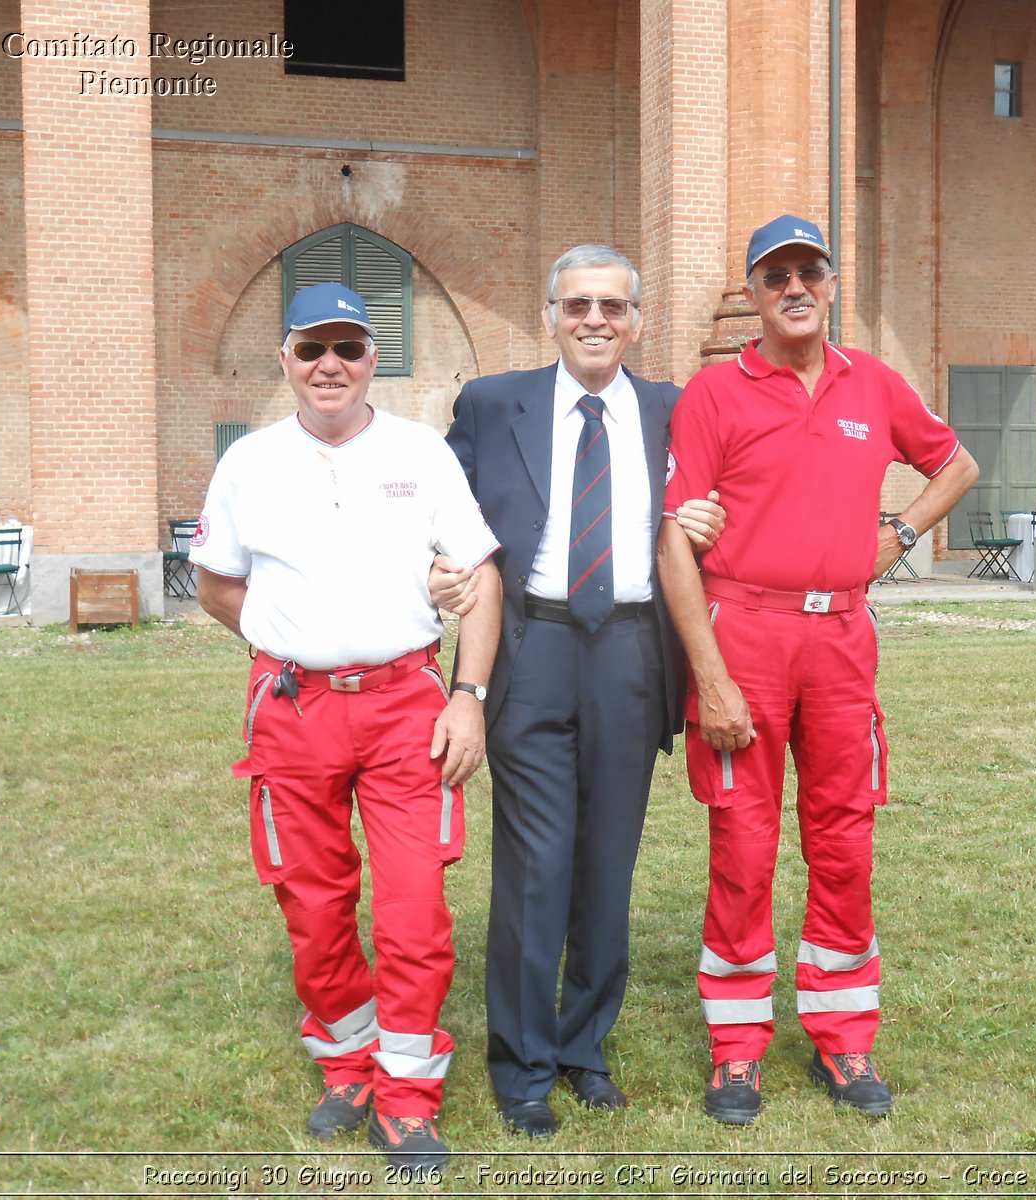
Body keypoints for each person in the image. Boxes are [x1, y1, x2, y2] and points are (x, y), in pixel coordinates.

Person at [655, 215, 980, 1126]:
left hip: (840, 640)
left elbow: (957, 463)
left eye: (810, 271)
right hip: (744, 633)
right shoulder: (716, 393)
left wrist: (898, 536)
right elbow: (678, 537)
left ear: (832, 284)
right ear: (754, 294)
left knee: (844, 841)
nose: (795, 287)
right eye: (775, 276)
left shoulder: (870, 383)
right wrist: (710, 676)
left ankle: (844, 1039)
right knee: (744, 844)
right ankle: (737, 1050)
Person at [190, 282, 501, 1179]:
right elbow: (217, 583)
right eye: (311, 348)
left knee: (413, 905)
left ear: (374, 359)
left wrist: (468, 695)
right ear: (284, 358)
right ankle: (347, 1063)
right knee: (312, 900)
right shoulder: (249, 461)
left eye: (350, 348)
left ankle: (407, 1094)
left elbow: (478, 576)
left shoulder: (421, 452)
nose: (331, 365)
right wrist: (290, 635)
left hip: (407, 702)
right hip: (293, 710)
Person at [433, 244, 723, 1137]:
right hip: (534, 646)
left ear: (637, 320)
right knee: (535, 865)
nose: (595, 320)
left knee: (607, 863)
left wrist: (713, 523)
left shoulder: (675, 410)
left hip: (632, 652)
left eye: (612, 306)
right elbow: (437, 512)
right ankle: (521, 1068)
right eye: (577, 305)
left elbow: (719, 501)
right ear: (550, 314)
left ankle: (583, 1048)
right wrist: (436, 568)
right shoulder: (492, 404)